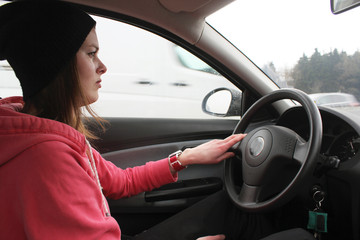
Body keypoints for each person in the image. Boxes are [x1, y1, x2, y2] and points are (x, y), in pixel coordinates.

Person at [0, 1, 245, 239]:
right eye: (91, 54)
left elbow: (121, 182)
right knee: (242, 219)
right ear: (56, 65)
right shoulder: (46, 158)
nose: (102, 67)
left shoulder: (46, 135)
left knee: (229, 209)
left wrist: (186, 157)